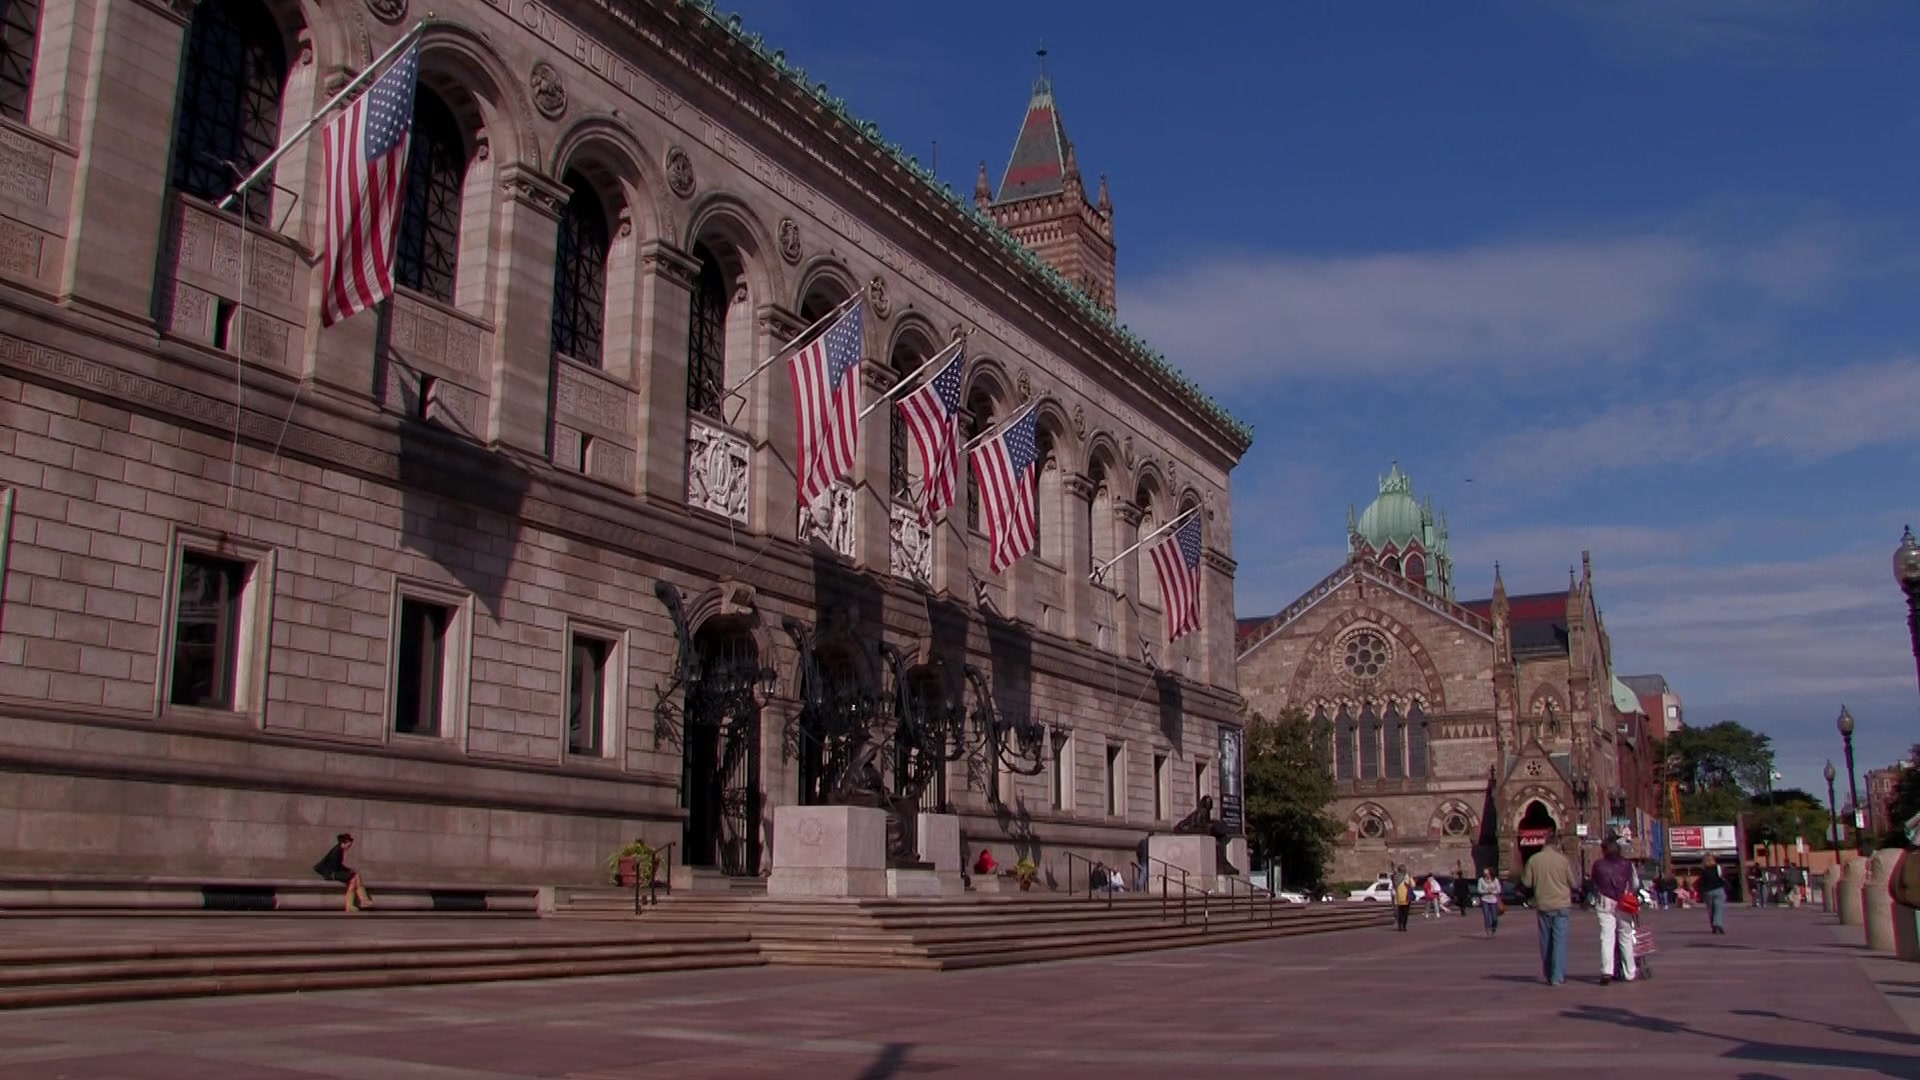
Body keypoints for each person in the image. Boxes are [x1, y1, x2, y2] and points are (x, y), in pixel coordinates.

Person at [1521, 832, 1574, 986]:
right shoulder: (1563, 860)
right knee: (1559, 940)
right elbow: (1573, 882)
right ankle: (1557, 976)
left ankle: (1548, 972)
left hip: (1543, 903)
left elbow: (1526, 882)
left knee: (1545, 940)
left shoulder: (1534, 859)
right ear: (1557, 844)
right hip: (1561, 904)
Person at [1591, 838, 1637, 985]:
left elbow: (1594, 883)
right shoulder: (1628, 864)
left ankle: (1607, 971)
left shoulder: (1598, 865)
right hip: (1624, 902)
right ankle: (1630, 971)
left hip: (1605, 902)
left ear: (1604, 850)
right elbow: (1635, 883)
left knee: (1606, 937)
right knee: (1626, 936)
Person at [314, 833, 372, 912]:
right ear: (343, 843)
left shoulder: (339, 850)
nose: (349, 847)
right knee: (354, 877)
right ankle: (359, 901)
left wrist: (349, 870)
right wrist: (348, 871)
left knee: (355, 875)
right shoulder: (337, 851)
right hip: (331, 874)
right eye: (348, 845)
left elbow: (339, 866)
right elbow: (336, 867)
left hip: (333, 872)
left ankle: (358, 902)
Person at [1699, 854, 1728, 935]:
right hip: (1718, 889)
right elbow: (1722, 877)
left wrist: (1701, 893)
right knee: (1718, 909)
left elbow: (1702, 882)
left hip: (1708, 891)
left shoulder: (1704, 870)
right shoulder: (1718, 867)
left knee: (1711, 910)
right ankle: (1718, 924)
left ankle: (1714, 926)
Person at [1476, 866, 1502, 938]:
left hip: (1493, 900)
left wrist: (1493, 891)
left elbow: (1499, 890)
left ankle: (1494, 928)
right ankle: (1488, 930)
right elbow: (1479, 890)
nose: (1486, 875)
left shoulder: (1495, 880)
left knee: (1494, 918)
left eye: (1487, 873)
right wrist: (1486, 891)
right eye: (1485, 874)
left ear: (1490, 873)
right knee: (1486, 916)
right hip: (1485, 900)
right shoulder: (1481, 880)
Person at [1391, 865, 1414, 931]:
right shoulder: (1407, 876)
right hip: (1406, 897)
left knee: (1400, 913)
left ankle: (1400, 925)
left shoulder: (1395, 877)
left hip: (1398, 897)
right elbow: (1413, 884)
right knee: (1405, 913)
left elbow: (1393, 885)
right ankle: (1404, 926)